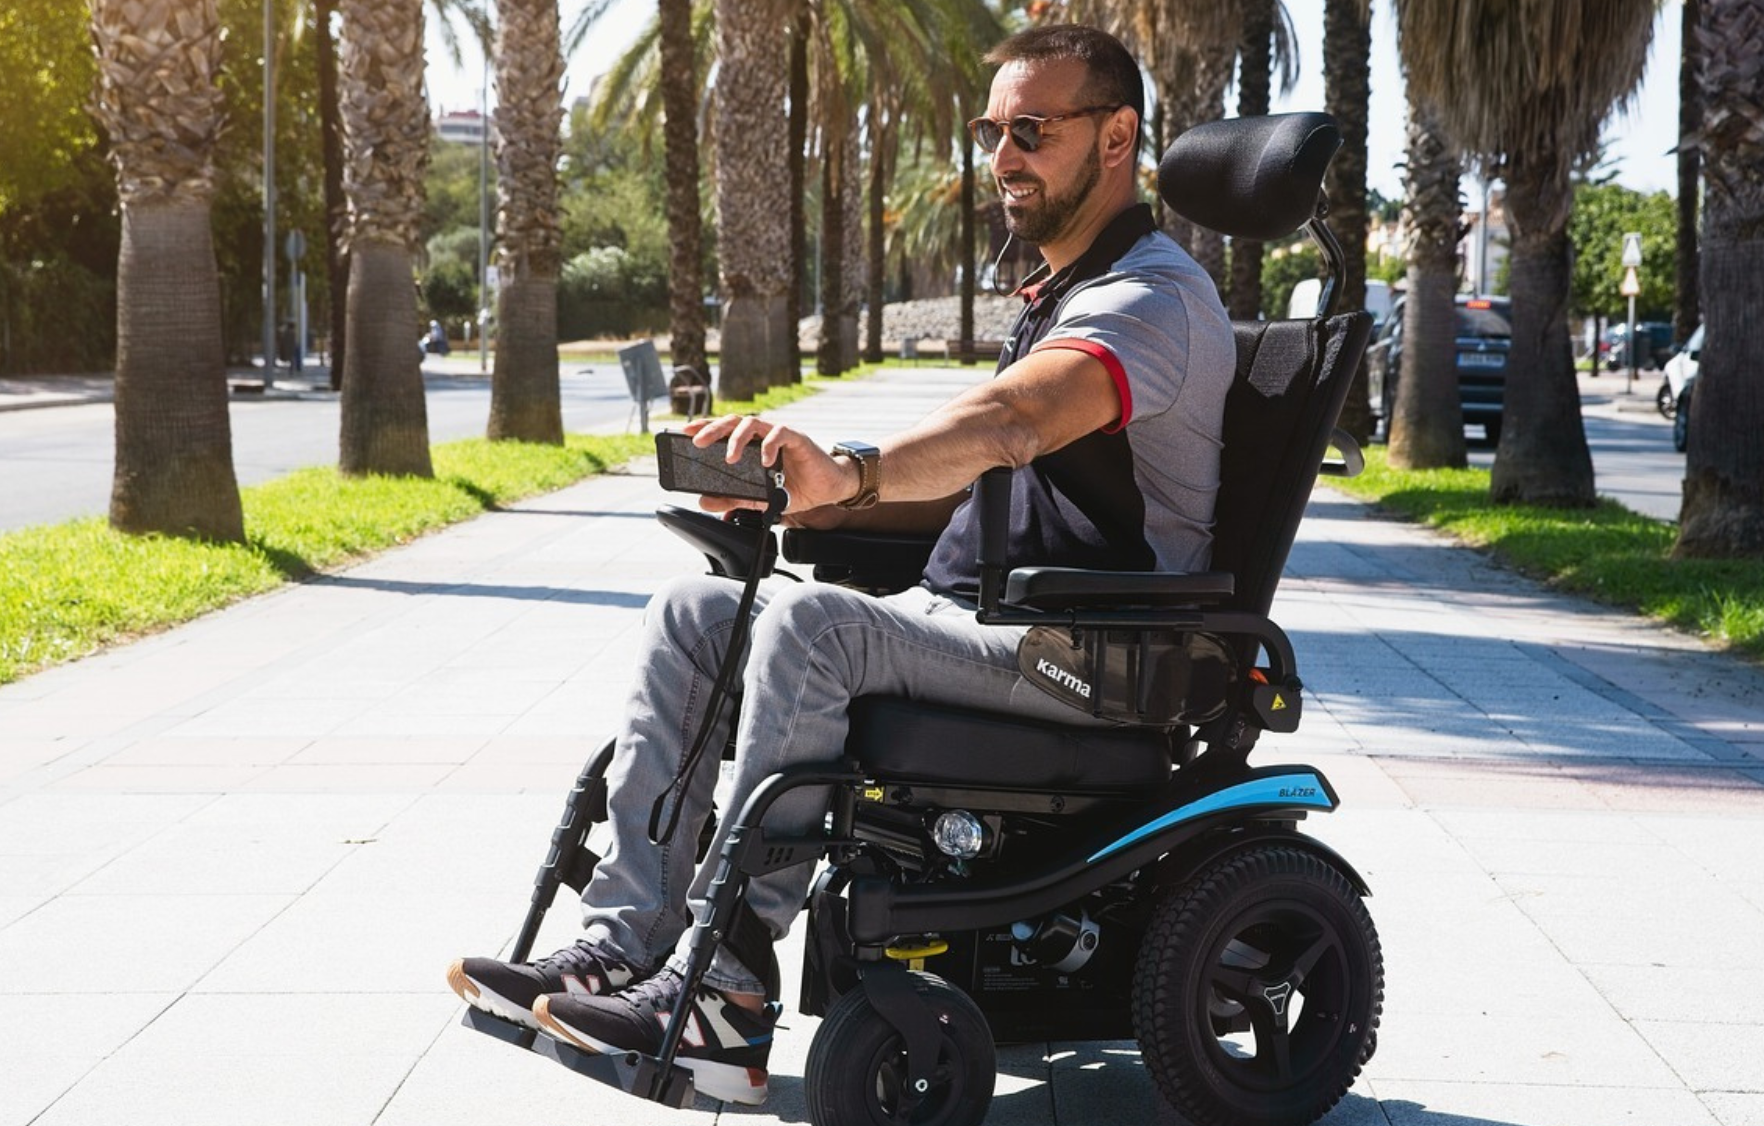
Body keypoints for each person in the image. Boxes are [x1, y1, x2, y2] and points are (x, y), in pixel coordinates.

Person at [445, 24, 1235, 1107]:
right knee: (693, 608)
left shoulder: (1151, 299)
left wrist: (851, 472)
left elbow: (1009, 423)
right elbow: (982, 487)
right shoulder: (1065, 292)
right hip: (994, 616)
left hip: (1096, 653)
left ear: (1115, 138)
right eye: (991, 130)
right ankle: (622, 943)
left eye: (1030, 130)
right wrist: (791, 493)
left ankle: (724, 988)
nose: (1002, 156)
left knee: (811, 628)